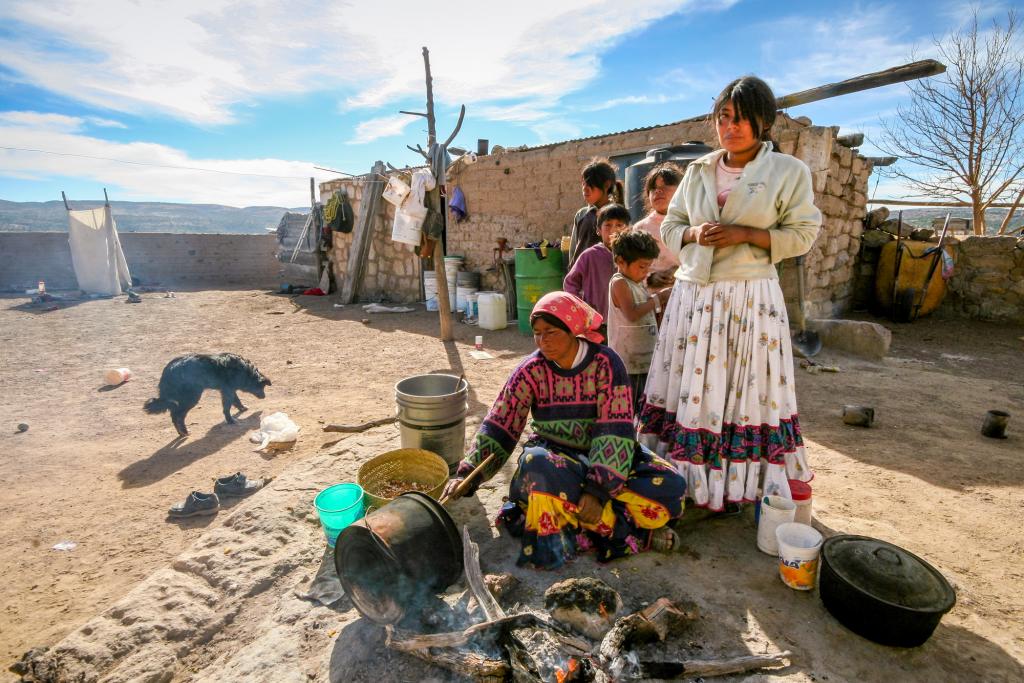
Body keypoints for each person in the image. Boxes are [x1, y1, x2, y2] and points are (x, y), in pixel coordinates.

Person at [638, 75, 821, 513]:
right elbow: (670, 224)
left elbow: (803, 234)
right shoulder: (699, 171)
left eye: (741, 119)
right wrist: (694, 232)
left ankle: (741, 486)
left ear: (764, 122)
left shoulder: (788, 172)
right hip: (694, 297)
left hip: (749, 298)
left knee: (742, 391)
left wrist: (746, 234)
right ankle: (683, 482)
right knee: (694, 389)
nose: (730, 127)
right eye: (723, 117)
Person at [444, 292, 686, 570]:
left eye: (551, 332)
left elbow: (616, 430)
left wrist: (598, 490)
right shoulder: (530, 371)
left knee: (671, 487)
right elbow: (501, 422)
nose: (542, 341)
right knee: (537, 467)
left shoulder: (607, 364)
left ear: (573, 330)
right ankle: (633, 533)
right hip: (554, 460)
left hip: (606, 459)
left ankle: (593, 523)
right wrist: (468, 473)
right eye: (537, 333)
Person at [606, 229, 671, 414]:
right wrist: (658, 298)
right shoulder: (619, 282)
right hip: (628, 363)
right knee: (630, 409)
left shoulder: (636, 283)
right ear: (620, 261)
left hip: (644, 360)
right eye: (642, 267)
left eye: (648, 267)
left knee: (643, 408)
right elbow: (632, 314)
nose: (646, 272)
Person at [563, 203, 630, 323]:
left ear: (628, 228)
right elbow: (570, 283)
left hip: (624, 321)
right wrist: (582, 307)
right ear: (598, 230)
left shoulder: (631, 256)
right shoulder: (589, 256)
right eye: (608, 225)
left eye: (619, 225)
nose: (613, 230)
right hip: (596, 322)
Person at [632, 162, 684, 288]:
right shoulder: (641, 229)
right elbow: (631, 269)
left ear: (683, 189)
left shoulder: (691, 224)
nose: (658, 191)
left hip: (686, 296)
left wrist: (679, 271)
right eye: (653, 188)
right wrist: (650, 278)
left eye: (666, 185)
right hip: (651, 301)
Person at [567, 158, 624, 269]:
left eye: (590, 184)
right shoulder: (582, 215)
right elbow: (573, 249)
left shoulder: (618, 216)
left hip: (605, 278)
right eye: (583, 184)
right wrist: (571, 272)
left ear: (606, 185)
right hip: (581, 278)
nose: (585, 189)